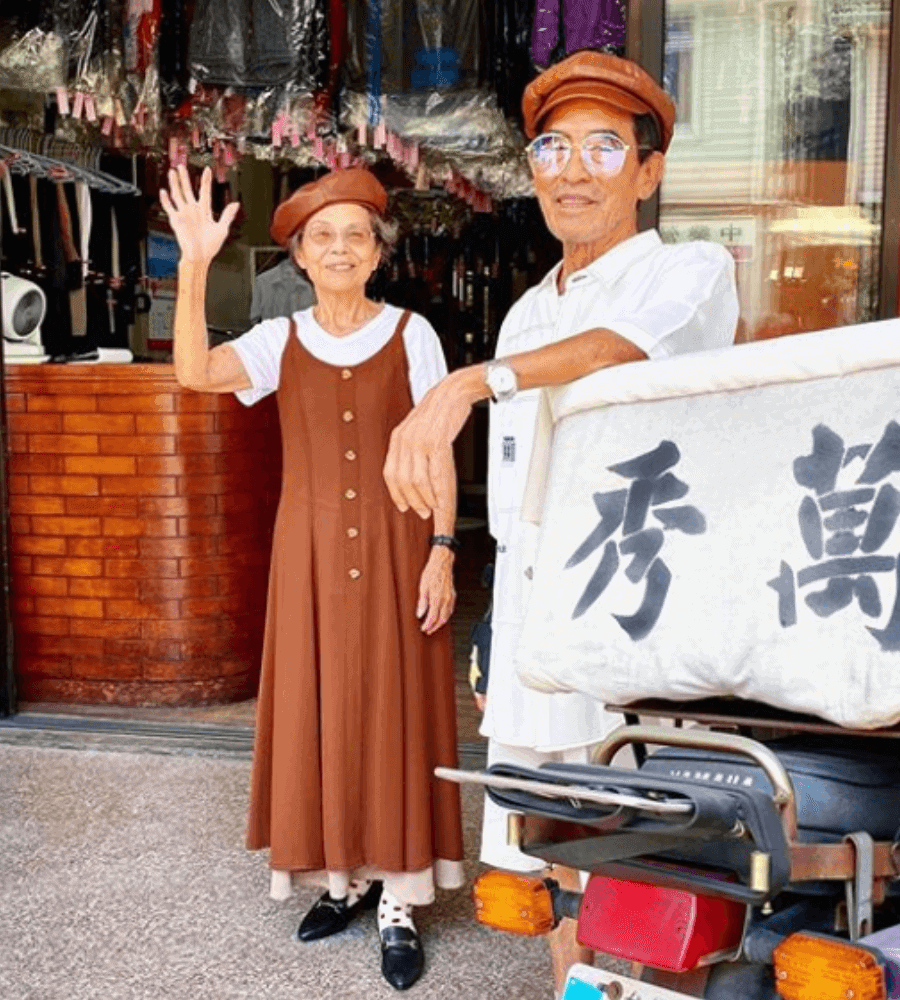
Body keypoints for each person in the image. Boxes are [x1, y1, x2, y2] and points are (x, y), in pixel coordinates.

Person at [382, 50, 740, 997]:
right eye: (552, 147)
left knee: (645, 840)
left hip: (641, 608)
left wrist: (468, 382)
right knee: (550, 844)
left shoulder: (689, 270)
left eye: (603, 146)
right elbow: (517, 487)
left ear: (648, 171)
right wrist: (488, 605)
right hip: (540, 610)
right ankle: (569, 987)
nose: (572, 170)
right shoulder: (530, 309)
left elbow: (617, 353)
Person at [161, 166, 464, 992]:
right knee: (325, 707)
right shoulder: (277, 342)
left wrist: (443, 547)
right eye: (321, 237)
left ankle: (401, 899)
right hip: (311, 557)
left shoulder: (414, 334)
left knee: (395, 709)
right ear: (298, 255)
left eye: (355, 236)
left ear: (377, 254)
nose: (339, 249)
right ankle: (347, 879)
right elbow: (192, 371)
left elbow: (436, 449)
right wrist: (194, 263)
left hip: (403, 546)